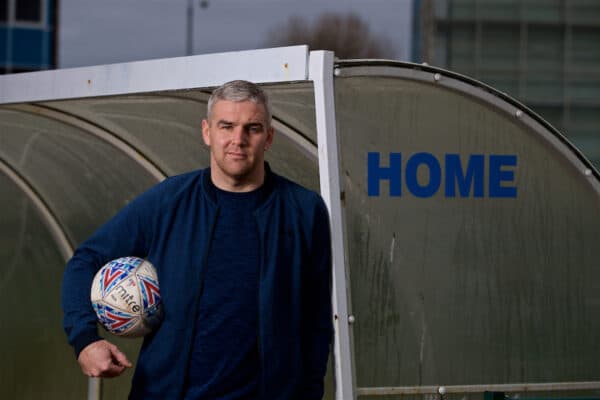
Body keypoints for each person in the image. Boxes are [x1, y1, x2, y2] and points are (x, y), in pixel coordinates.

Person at [61, 80, 333, 399]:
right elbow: (85, 260)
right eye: (226, 126)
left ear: (269, 137)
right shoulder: (169, 201)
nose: (238, 140)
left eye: (253, 128)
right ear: (207, 132)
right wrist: (85, 340)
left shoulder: (303, 210)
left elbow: (316, 323)